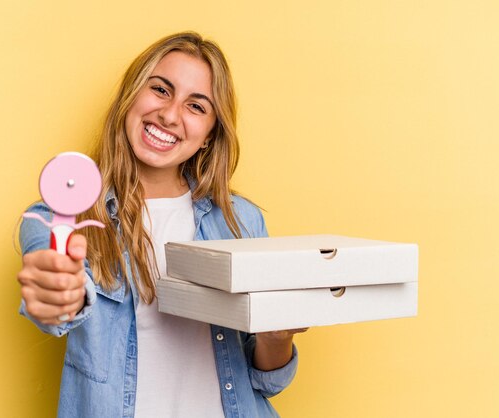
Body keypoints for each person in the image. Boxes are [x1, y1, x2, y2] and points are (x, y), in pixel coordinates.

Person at [17, 31, 307, 418]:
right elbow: (55, 303)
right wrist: (57, 293)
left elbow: (269, 380)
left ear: (209, 136)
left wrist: (278, 335)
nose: (170, 115)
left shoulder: (240, 220)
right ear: (131, 96)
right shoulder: (57, 216)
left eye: (196, 106)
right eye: (160, 89)